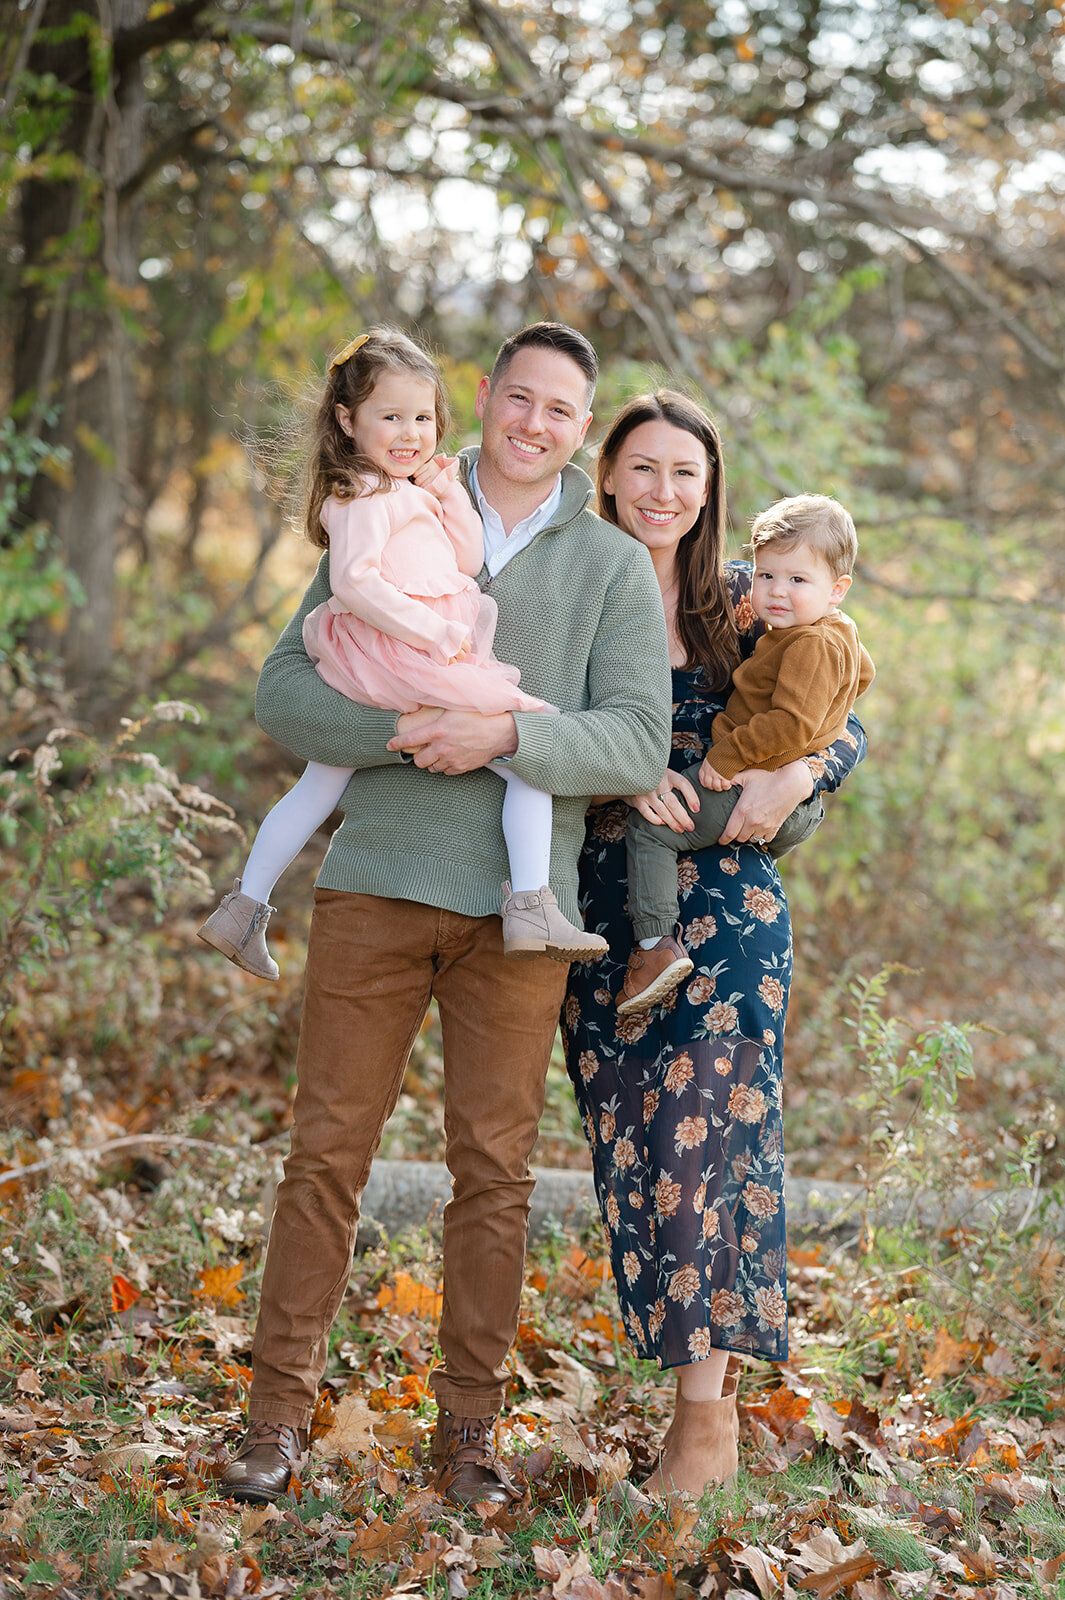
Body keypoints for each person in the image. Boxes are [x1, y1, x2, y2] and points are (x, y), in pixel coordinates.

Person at [218, 324, 672, 1508]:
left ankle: (466, 1432)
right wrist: (412, 731)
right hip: (374, 886)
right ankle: (274, 1418)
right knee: (326, 1156)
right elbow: (285, 687)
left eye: (561, 410)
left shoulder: (614, 565)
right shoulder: (390, 495)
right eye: (517, 398)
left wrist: (507, 732)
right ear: (483, 397)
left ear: (586, 426)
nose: (534, 423)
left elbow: (631, 737)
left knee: (496, 1174)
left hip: (520, 916)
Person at [561, 391, 867, 1499]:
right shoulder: (568, 587)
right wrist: (611, 758)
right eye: (643, 467)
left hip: (730, 910)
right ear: (606, 474)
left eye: (685, 473)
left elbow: (846, 699)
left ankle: (707, 1423)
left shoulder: (744, 599)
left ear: (710, 490)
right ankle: (688, 1397)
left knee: (715, 1147)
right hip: (605, 900)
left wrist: (803, 771)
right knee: (638, 1146)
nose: (663, 490)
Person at [197, 327, 606, 980]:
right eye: (391, 417)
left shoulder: (404, 489)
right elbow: (354, 581)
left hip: (399, 653)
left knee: (318, 783)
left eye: (422, 417)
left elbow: (465, 562)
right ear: (346, 419)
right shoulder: (359, 496)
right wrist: (433, 634)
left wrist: (447, 499)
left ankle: (243, 908)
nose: (410, 432)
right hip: (401, 654)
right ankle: (531, 904)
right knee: (530, 743)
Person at [617, 492, 875, 1015]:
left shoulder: (803, 639)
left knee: (650, 831)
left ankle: (652, 948)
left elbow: (802, 722)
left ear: (837, 590)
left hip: (752, 783)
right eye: (767, 576)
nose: (777, 591)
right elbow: (860, 677)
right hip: (762, 799)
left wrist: (739, 760)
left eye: (798, 580)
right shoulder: (827, 631)